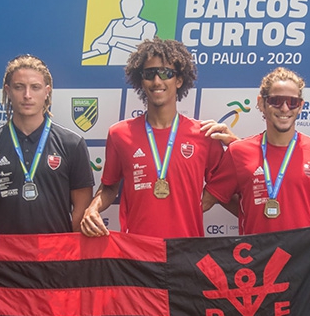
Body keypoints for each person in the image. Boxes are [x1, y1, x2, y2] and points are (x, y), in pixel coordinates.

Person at [80, 38, 230, 239]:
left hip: (186, 251)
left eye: (166, 73)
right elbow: (109, 187)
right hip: (137, 252)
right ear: (141, 81)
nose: (157, 81)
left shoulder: (204, 135)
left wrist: (193, 206)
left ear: (179, 80)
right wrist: (92, 208)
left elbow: (228, 189)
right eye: (150, 74)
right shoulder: (119, 134)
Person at [202, 67, 310, 241]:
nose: (285, 108)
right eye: (276, 101)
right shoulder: (238, 152)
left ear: (300, 106)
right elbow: (208, 200)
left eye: (292, 102)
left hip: (303, 259)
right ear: (262, 103)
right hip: (255, 259)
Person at [0, 55, 94, 234]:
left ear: (47, 92)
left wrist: (58, 244)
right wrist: (12, 247)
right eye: (19, 87)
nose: (27, 95)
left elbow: (82, 206)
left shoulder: (72, 143)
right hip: (7, 255)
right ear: (8, 91)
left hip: (55, 255)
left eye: (35, 87)